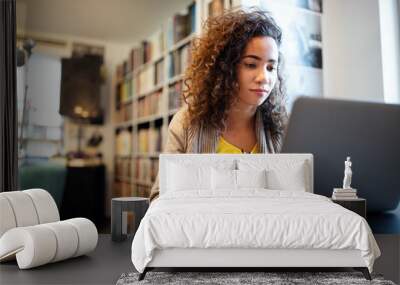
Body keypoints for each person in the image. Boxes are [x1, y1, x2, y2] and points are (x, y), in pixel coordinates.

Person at [149, 8, 288, 201]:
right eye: (251, 64)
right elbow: (159, 197)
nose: (264, 78)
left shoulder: (280, 127)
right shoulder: (187, 122)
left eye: (271, 67)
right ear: (225, 67)